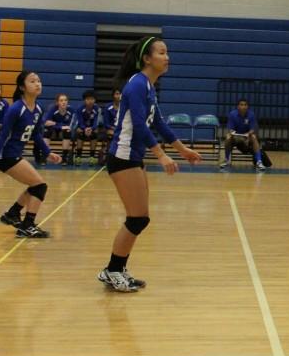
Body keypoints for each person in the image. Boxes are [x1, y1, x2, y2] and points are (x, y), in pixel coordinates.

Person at [99, 37, 201, 292]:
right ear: (147, 58)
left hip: (133, 157)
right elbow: (140, 125)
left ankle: (117, 269)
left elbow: (159, 124)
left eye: (167, 53)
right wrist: (161, 155)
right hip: (122, 157)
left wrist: (182, 149)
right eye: (162, 53)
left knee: (139, 218)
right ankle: (112, 270)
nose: (167, 57)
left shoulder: (148, 86)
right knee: (137, 218)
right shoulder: (135, 85)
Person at [0, 71, 63, 238]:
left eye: (38, 81)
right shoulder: (16, 108)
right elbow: (2, 136)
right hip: (6, 156)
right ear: (22, 87)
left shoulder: (37, 108)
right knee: (40, 186)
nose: (37, 84)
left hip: (14, 154)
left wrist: (48, 152)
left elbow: (36, 134)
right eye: (32, 81)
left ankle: (12, 214)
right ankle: (27, 226)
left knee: (35, 185)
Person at [220, 99, 270, 171]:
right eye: (241, 104)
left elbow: (252, 129)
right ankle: (227, 160)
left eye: (245, 105)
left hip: (247, 136)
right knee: (228, 137)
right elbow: (230, 129)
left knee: (253, 136)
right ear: (238, 106)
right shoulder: (232, 114)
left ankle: (259, 162)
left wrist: (248, 134)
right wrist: (232, 133)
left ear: (247, 106)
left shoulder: (251, 115)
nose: (243, 106)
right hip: (236, 137)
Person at [43, 93, 74, 166]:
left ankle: (64, 157)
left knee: (67, 131)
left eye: (65, 100)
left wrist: (55, 123)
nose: (64, 102)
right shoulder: (53, 109)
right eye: (61, 100)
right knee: (47, 130)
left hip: (63, 130)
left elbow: (73, 123)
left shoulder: (71, 110)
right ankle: (45, 155)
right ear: (57, 102)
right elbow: (46, 122)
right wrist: (60, 126)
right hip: (53, 130)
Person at [74, 90, 102, 166]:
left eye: (92, 99)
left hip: (92, 128)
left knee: (95, 133)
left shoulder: (97, 109)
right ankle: (78, 156)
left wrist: (91, 129)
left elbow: (97, 121)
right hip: (83, 128)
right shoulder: (80, 109)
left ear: (95, 100)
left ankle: (92, 157)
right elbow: (79, 121)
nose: (90, 101)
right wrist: (84, 128)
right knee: (79, 132)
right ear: (84, 100)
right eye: (88, 99)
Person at [100, 89, 122, 166]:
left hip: (122, 129)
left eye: (120, 94)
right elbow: (106, 123)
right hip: (110, 129)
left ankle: (120, 158)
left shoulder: (125, 107)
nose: (119, 96)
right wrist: (113, 129)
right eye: (117, 94)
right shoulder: (108, 107)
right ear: (113, 96)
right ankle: (109, 156)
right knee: (110, 135)